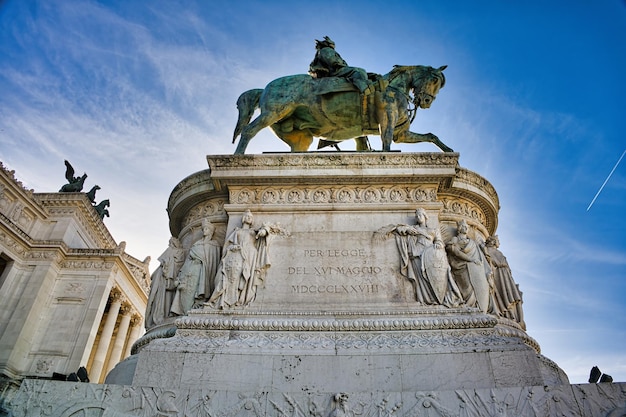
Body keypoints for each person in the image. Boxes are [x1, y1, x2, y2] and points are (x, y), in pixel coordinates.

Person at [392, 208, 463, 307]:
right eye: (417, 216)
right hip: (417, 253)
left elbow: (439, 241)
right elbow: (399, 229)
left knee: (432, 276)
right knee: (422, 277)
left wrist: (438, 244)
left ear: (425, 216)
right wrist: (408, 229)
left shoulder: (433, 230)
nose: (418, 217)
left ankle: (438, 297)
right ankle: (427, 299)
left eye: (420, 215)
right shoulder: (414, 228)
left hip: (431, 255)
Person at [207, 210, 272, 309]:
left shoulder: (252, 231)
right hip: (237, 256)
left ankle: (241, 298)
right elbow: (227, 245)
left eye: (250, 217)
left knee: (244, 277)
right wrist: (232, 248)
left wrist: (265, 230)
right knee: (229, 277)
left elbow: (265, 232)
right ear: (243, 218)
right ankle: (228, 299)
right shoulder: (237, 231)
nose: (248, 218)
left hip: (249, 255)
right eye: (246, 216)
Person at [171, 219, 221, 316]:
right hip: (190, 270)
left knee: (194, 292)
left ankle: (194, 308)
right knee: (186, 292)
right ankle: (184, 312)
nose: (204, 230)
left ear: (211, 231)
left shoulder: (214, 245)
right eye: (203, 228)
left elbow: (212, 263)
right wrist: (181, 275)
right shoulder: (197, 244)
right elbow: (187, 261)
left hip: (201, 271)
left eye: (206, 228)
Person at [445, 220, 497, 314]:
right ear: (459, 229)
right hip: (461, 265)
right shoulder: (456, 239)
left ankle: (478, 306)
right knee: (468, 286)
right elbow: (450, 248)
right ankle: (470, 305)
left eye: (466, 227)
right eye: (463, 226)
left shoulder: (472, 242)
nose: (466, 228)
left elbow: (479, 257)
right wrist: (470, 259)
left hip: (474, 266)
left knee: (479, 283)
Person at [309, 36, 374, 95]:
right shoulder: (326, 50)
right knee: (357, 71)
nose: (334, 45)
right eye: (332, 44)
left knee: (362, 72)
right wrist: (341, 63)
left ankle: (372, 80)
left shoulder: (324, 50)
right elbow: (332, 61)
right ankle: (365, 90)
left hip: (335, 69)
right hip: (333, 71)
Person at [485, 235, 526, 329]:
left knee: (512, 295)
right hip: (500, 275)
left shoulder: (494, 251)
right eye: (498, 240)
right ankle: (509, 314)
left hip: (504, 275)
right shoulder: (490, 251)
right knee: (508, 295)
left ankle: (513, 316)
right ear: (494, 241)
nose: (499, 242)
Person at [144, 237, 185, 328]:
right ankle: (161, 316)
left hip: (169, 280)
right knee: (162, 299)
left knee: (164, 298)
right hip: (165, 280)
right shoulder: (172, 252)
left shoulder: (175, 252)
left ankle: (162, 316)